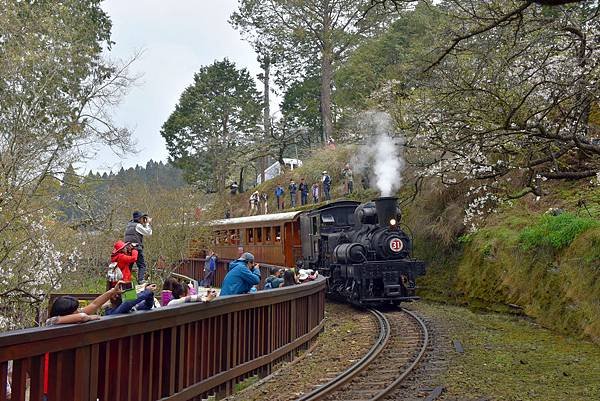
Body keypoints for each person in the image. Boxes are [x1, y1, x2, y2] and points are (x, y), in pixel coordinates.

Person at [46, 285, 125, 325]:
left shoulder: (72, 315)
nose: (78, 310)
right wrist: (91, 317)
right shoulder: (52, 321)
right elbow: (82, 316)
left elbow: (94, 305)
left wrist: (112, 291)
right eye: (75, 310)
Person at [124, 211, 152, 282]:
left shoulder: (129, 224)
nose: (143, 220)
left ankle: (126, 280)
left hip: (128, 248)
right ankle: (141, 280)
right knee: (142, 265)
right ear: (139, 219)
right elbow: (149, 233)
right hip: (136, 248)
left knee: (129, 265)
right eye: (143, 218)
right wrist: (147, 223)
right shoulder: (137, 226)